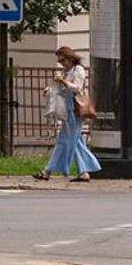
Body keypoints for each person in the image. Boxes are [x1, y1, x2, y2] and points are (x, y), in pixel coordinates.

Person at [37, 46, 100, 182]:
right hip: (69, 109)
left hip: (75, 109)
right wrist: (49, 89)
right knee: (75, 141)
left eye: (63, 60)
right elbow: (61, 89)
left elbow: (76, 88)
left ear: (70, 58)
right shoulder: (67, 71)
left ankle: (47, 170)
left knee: (63, 141)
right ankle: (84, 172)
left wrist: (63, 81)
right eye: (60, 61)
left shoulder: (79, 70)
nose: (61, 63)